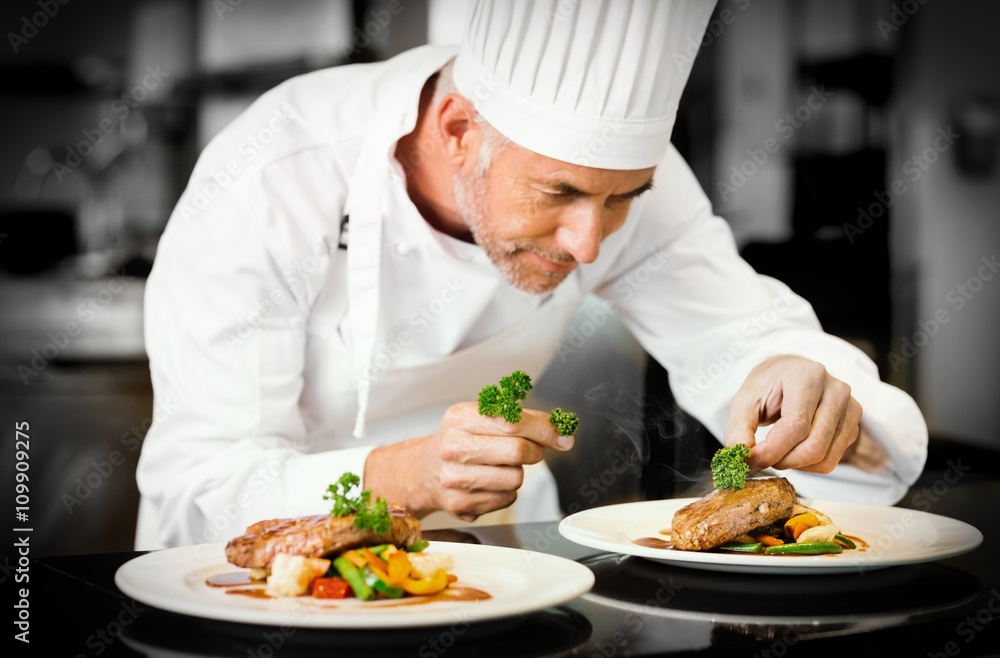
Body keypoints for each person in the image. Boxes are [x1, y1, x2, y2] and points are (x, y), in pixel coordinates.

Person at [135, 0, 928, 549]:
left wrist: (798, 380)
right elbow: (197, 489)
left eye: (623, 198)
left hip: (501, 566)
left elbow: (742, 335)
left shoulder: (619, 181)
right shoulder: (274, 171)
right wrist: (404, 476)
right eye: (559, 193)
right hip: (270, 584)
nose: (589, 242)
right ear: (455, 131)